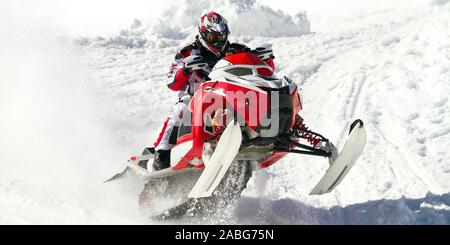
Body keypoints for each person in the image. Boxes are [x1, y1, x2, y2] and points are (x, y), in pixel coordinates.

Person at [142, 10, 275, 171]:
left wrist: (265, 59)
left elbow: (261, 71)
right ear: (203, 34)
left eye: (222, 36)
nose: (219, 42)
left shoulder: (237, 49)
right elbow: (171, 81)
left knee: (258, 95)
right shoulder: (188, 52)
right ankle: (162, 152)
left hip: (230, 96)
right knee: (180, 108)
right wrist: (184, 69)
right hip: (196, 100)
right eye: (214, 37)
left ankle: (266, 131)